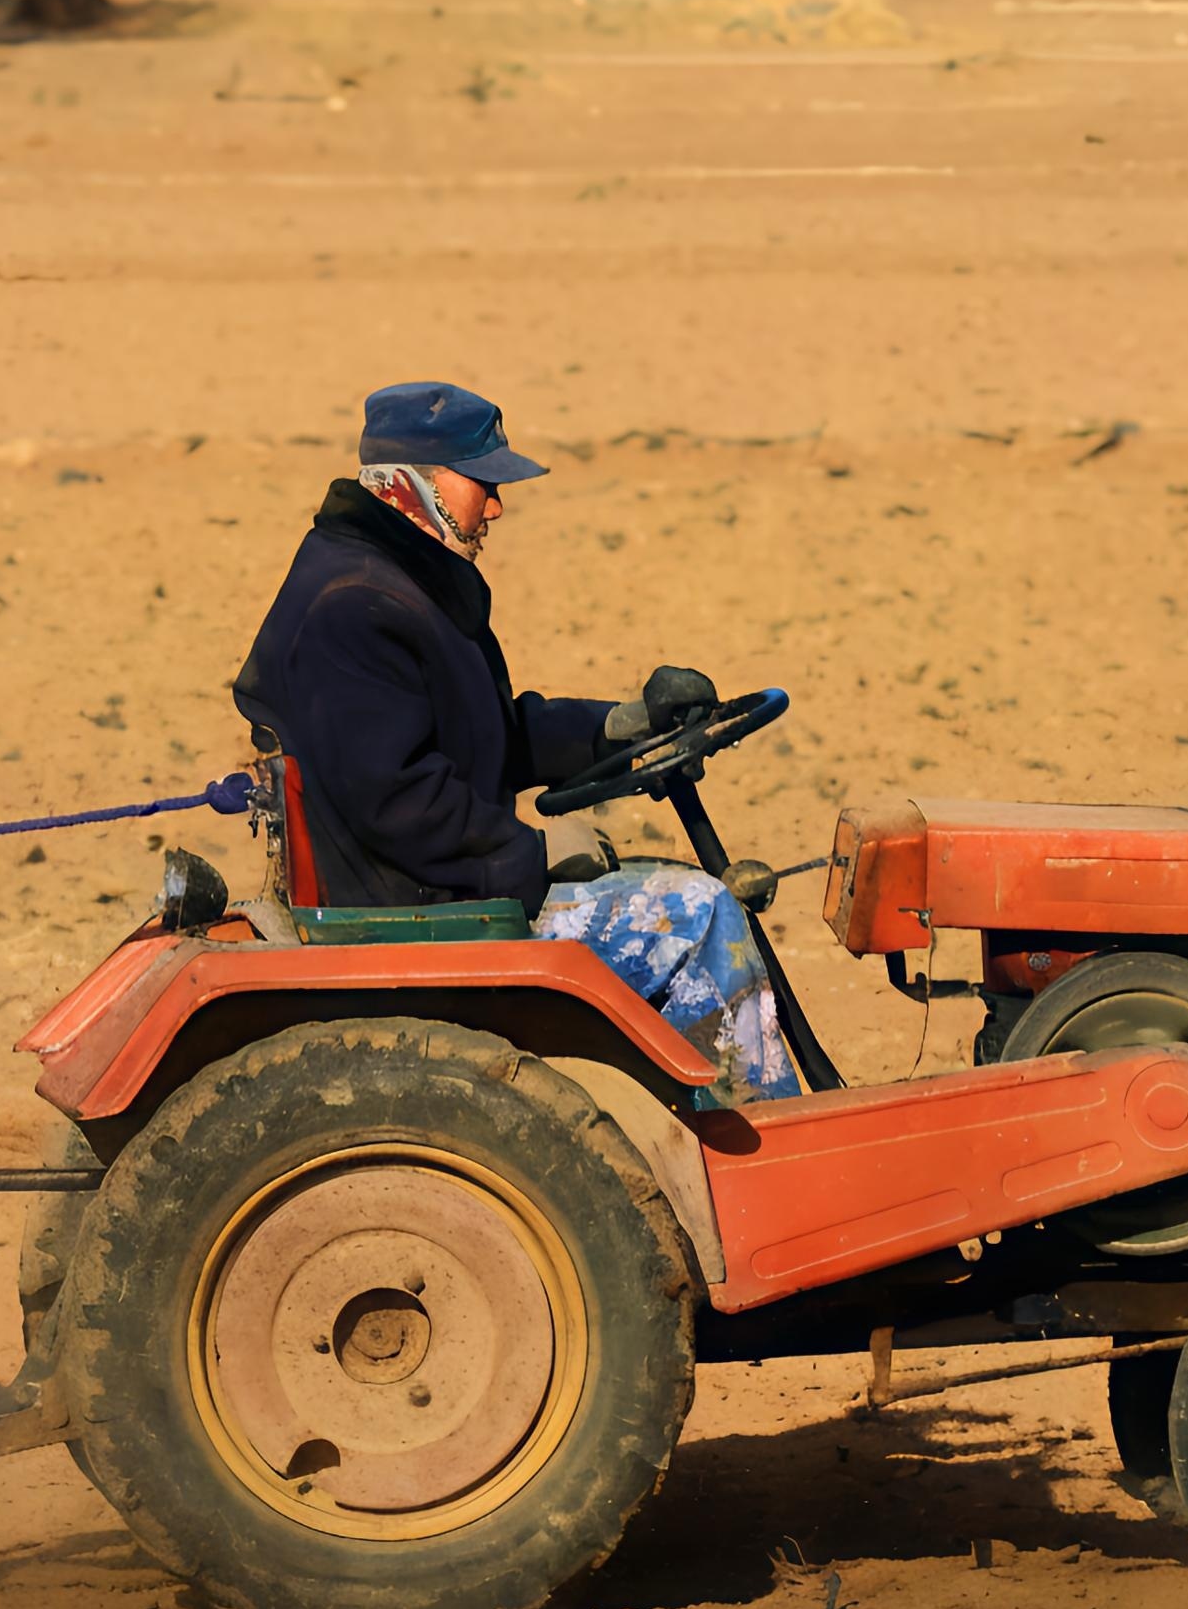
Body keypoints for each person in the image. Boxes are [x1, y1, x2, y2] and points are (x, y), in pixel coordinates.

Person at [232, 380, 803, 1102]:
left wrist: (617, 725)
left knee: (666, 889)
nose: (497, 505)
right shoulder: (354, 608)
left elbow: (486, 733)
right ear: (413, 484)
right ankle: (752, 1146)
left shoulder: (399, 578)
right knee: (699, 915)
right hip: (418, 913)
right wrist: (531, 857)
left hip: (437, 884)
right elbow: (399, 799)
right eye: (484, 485)